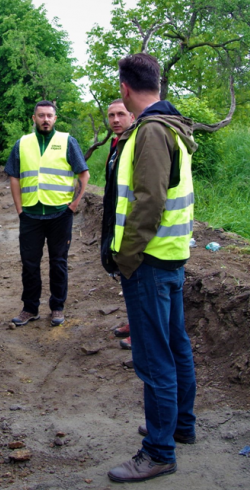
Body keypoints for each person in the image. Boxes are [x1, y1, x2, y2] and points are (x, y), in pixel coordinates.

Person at [101, 53, 198, 482]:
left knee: (155, 357)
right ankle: (179, 426)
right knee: (175, 345)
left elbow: (149, 202)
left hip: (150, 262)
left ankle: (159, 451)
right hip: (169, 256)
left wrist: (127, 257)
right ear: (156, 84)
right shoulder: (170, 124)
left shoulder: (153, 131)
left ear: (125, 88)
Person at [5, 100, 90, 327]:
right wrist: (19, 209)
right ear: (34, 118)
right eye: (41, 115)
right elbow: (14, 176)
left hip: (60, 214)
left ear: (55, 119)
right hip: (31, 214)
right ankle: (30, 308)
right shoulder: (22, 144)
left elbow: (83, 175)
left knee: (58, 262)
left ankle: (57, 307)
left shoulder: (67, 142)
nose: (45, 119)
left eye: (49, 116)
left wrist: (72, 206)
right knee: (29, 264)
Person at [103, 99, 135, 351]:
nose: (115, 120)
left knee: (137, 277)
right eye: (111, 115)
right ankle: (134, 322)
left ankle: (142, 331)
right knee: (125, 275)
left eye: (121, 114)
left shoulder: (135, 143)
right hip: (117, 220)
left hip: (133, 224)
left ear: (132, 116)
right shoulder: (116, 144)